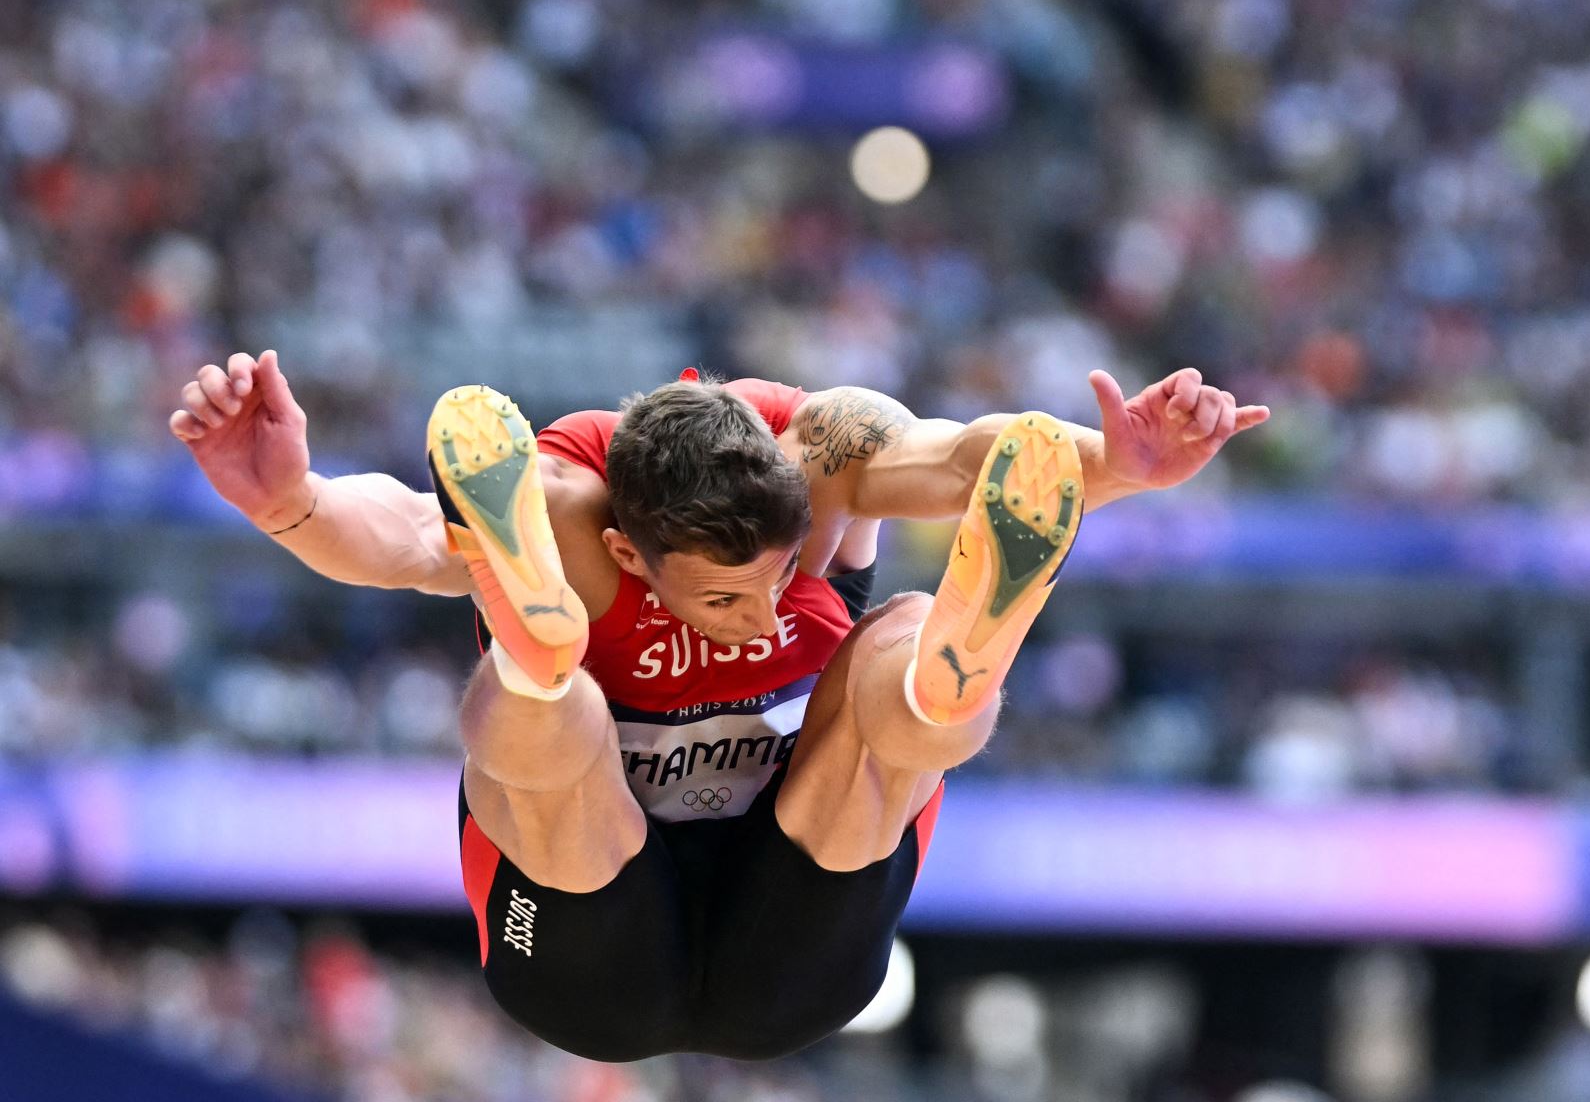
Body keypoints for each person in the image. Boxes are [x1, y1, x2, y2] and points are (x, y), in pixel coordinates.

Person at [169, 350, 1268, 1061]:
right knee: (538, 722)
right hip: (586, 954)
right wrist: (290, 500)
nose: (754, 618)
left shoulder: (822, 448)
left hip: (795, 924)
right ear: (622, 551)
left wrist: (1112, 466)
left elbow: (970, 456)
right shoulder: (557, 501)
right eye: (721, 595)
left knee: (901, 644)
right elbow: (408, 534)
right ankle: (539, 659)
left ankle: (950, 678)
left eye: (779, 579)